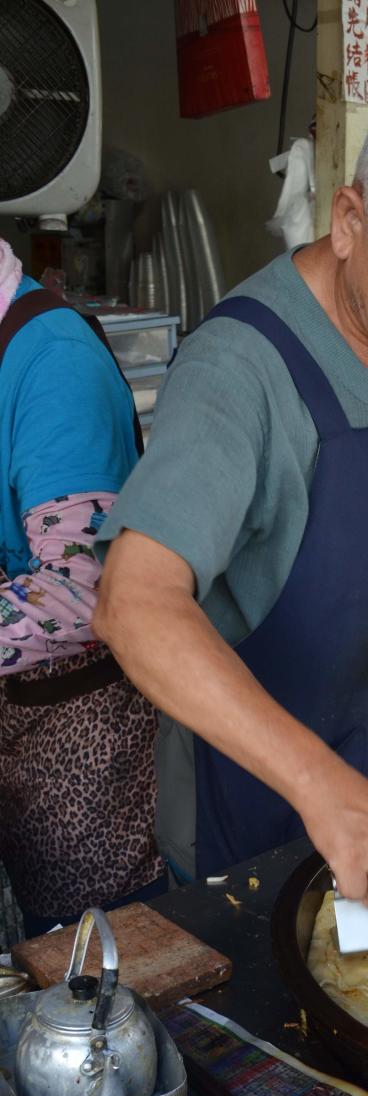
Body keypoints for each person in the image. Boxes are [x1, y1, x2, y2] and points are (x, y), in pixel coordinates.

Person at [94, 82, 368, 905]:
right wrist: (324, 787)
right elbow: (134, 603)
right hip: (259, 813)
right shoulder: (242, 373)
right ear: (348, 220)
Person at [0, 240, 164, 937]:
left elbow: (79, 586)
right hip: (19, 716)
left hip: (82, 741)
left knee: (92, 963)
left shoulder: (53, 363)